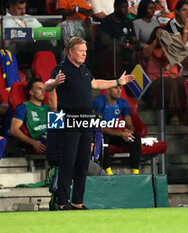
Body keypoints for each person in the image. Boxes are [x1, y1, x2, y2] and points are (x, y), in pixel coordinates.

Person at [44, 36, 134, 210]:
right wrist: (54, 82)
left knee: (83, 163)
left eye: (86, 51)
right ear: (71, 52)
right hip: (68, 121)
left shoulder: (84, 69)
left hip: (86, 122)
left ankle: (77, 202)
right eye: (81, 51)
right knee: (68, 161)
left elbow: (95, 83)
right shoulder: (62, 68)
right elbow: (47, 85)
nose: (85, 54)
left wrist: (117, 82)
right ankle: (62, 202)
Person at [93, 86, 141, 175]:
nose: (119, 90)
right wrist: (121, 133)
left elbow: (130, 124)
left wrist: (128, 133)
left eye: (120, 88)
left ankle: (135, 173)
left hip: (114, 133)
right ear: (107, 90)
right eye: (115, 88)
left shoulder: (122, 103)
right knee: (103, 138)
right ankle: (108, 172)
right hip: (98, 134)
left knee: (136, 138)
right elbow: (100, 127)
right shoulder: (99, 102)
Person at [10, 78, 50, 154]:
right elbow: (14, 130)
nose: (43, 91)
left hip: (52, 138)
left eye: (44, 89)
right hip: (40, 140)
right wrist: (33, 142)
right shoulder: (23, 107)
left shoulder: (49, 108)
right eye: (39, 88)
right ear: (31, 92)